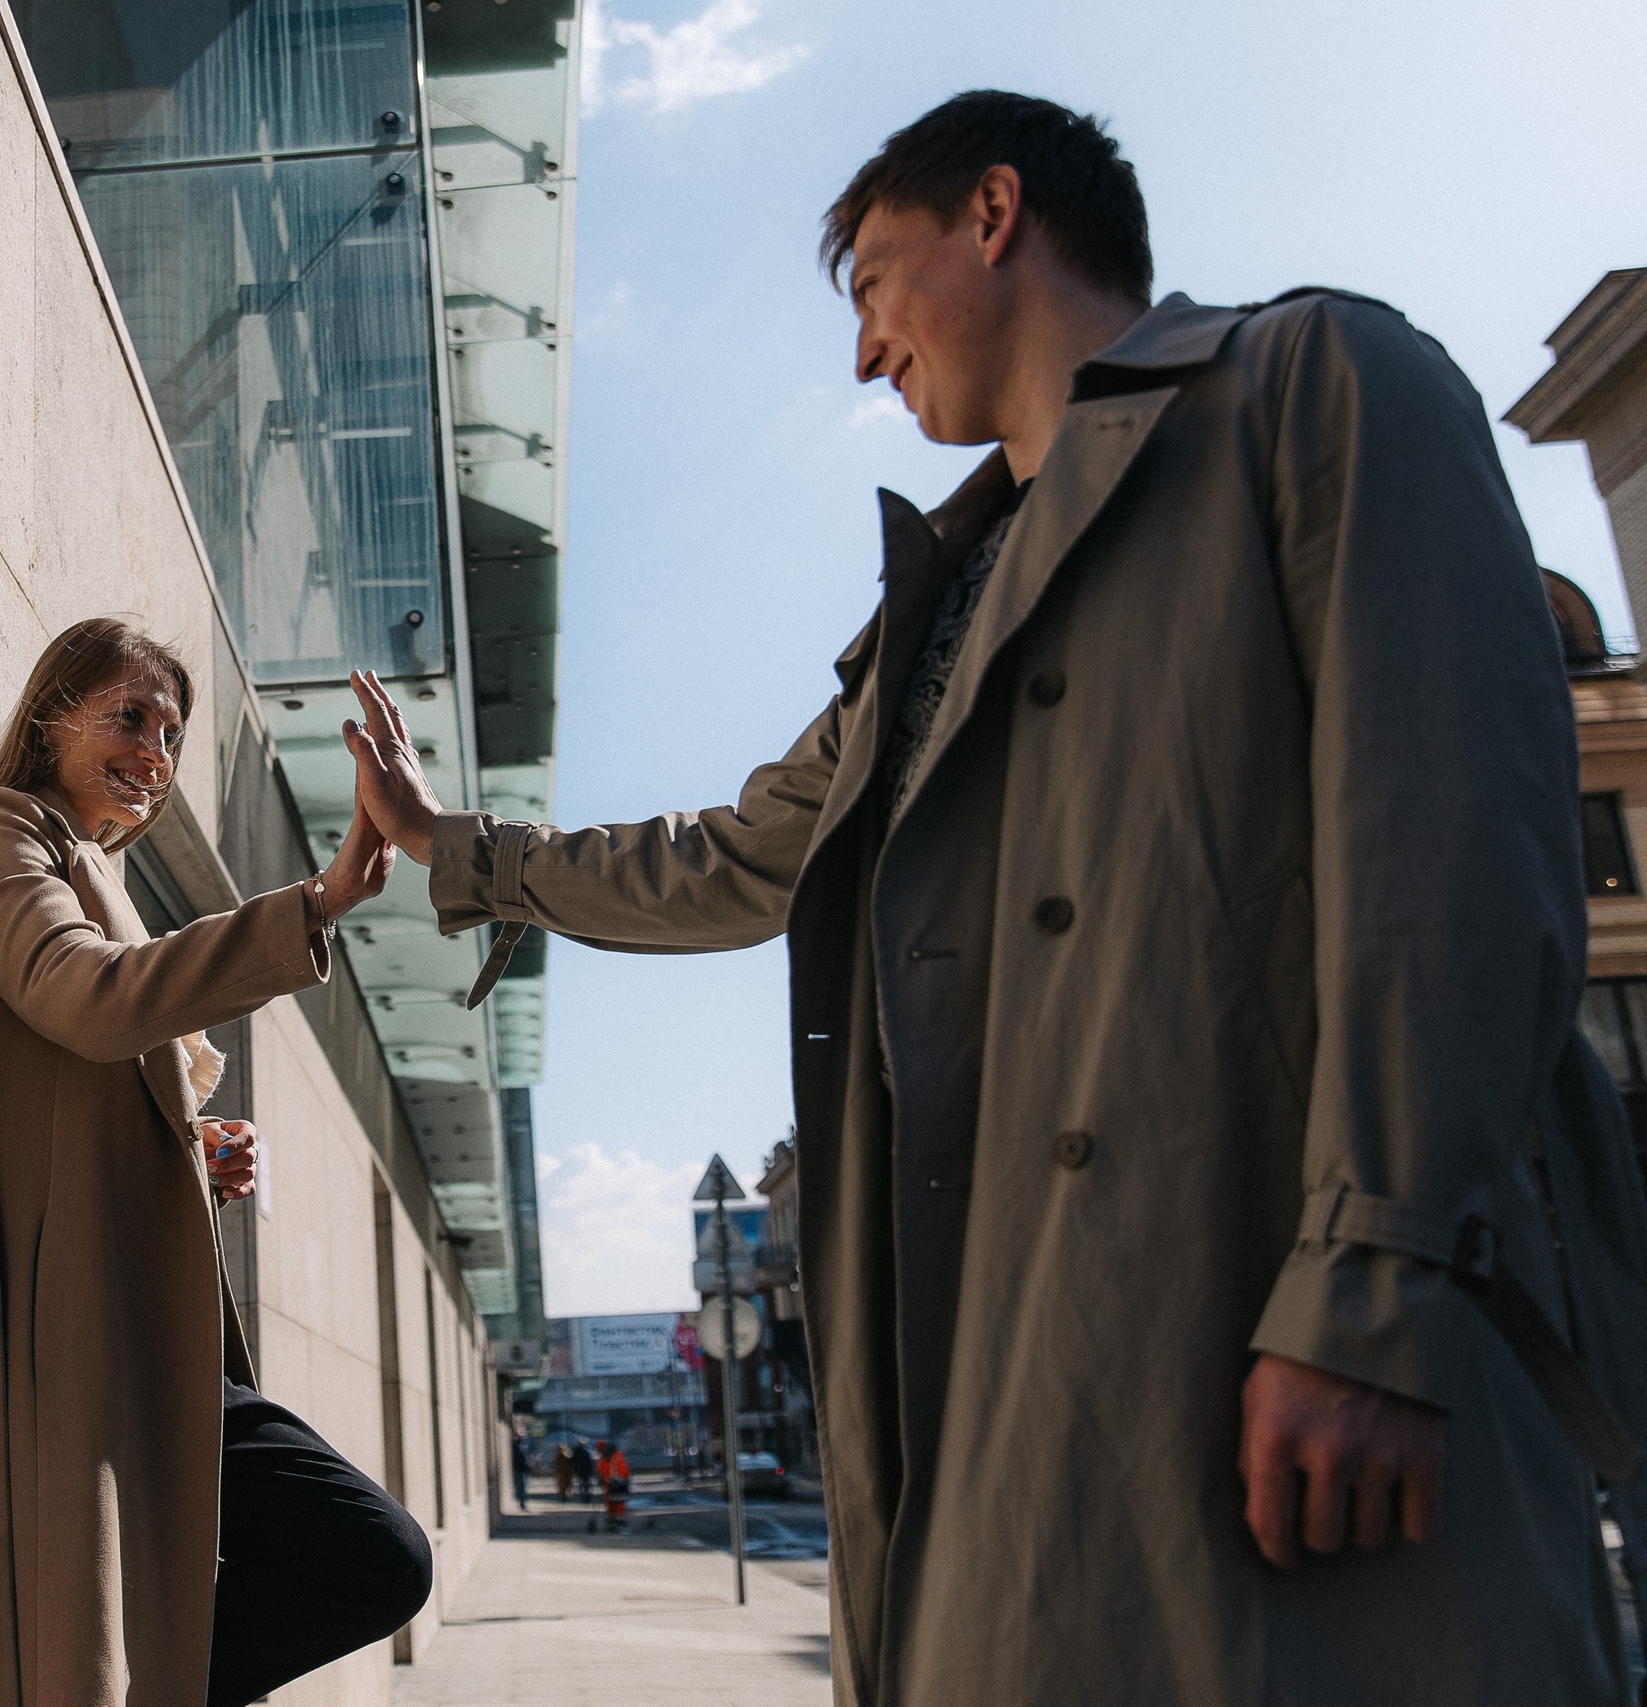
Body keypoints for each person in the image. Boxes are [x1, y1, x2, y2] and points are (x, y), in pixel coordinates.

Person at [342, 91, 1647, 1707]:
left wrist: (1371, 1285)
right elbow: (733, 854)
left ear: (995, 210)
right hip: (1012, 1394)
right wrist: (453, 845)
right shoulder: (925, 623)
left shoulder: (1317, 384)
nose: (864, 357)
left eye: (874, 286)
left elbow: (1449, 847)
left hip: (1288, 1346)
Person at [0, 618, 430, 1707]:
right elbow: (82, 1000)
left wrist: (191, 1144)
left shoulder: (91, 871)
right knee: (362, 1556)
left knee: (353, 1560)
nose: (155, 748)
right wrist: (315, 903)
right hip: (56, 1306)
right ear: (51, 719)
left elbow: (87, 1061)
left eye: (172, 730)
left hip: (126, 1313)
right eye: (128, 715)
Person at [599, 1439, 632, 1534]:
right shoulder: (611, 1458)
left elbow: (622, 1471)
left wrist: (613, 1479)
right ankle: (613, 1525)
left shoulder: (615, 1459)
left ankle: (618, 1525)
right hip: (612, 1486)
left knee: (618, 1506)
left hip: (616, 1486)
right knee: (613, 1507)